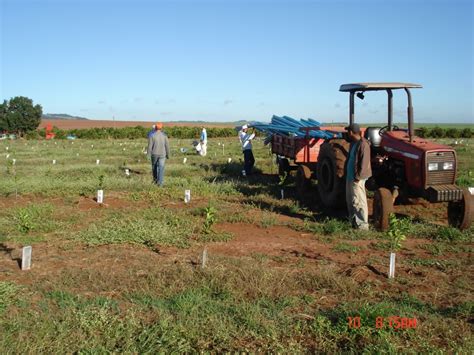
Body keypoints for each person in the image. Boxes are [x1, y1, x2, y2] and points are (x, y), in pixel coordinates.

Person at [345, 123, 372, 230]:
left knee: (359, 201)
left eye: (348, 131)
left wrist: (358, 177)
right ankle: (353, 222)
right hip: (350, 177)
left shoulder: (363, 144)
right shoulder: (354, 143)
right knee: (351, 200)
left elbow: (364, 163)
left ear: (351, 132)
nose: (347, 133)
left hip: (357, 178)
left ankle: (362, 226)